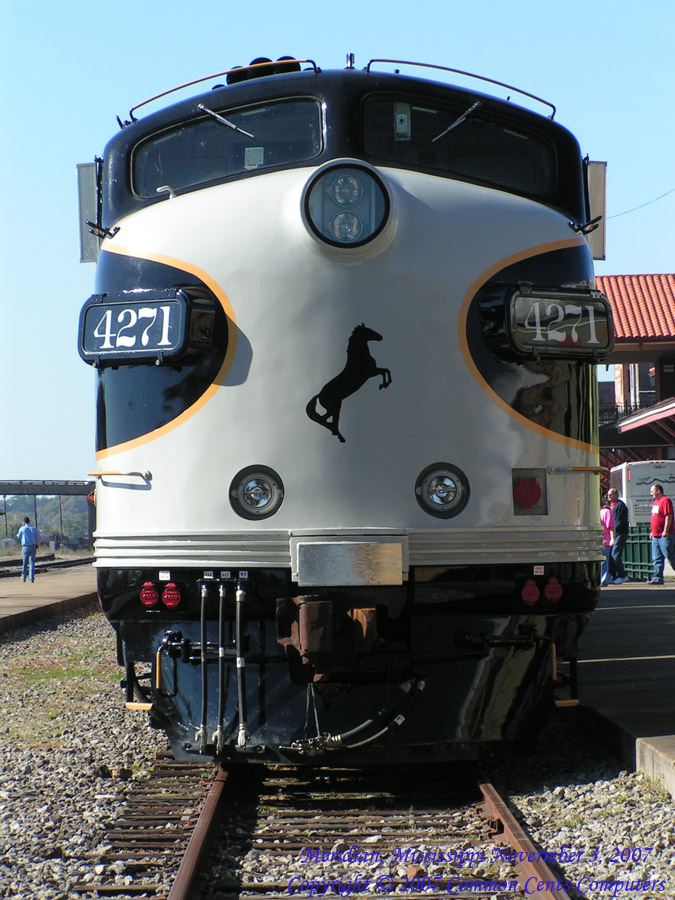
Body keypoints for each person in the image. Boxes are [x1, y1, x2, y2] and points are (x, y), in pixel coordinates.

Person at [648, 483, 675, 585]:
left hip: (665, 535)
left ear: (658, 491)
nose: (651, 494)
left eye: (652, 491)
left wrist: (666, 530)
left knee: (669, 554)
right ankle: (657, 577)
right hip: (655, 535)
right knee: (656, 557)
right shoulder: (656, 502)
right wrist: (652, 531)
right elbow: (655, 517)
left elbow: (668, 515)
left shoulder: (665, 500)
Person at [607, 487, 630, 584]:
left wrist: (613, 530)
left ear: (616, 495)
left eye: (611, 494)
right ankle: (613, 575)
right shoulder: (610, 506)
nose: (609, 496)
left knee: (615, 554)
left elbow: (619, 522)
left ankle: (623, 575)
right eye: (608, 495)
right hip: (613, 534)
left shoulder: (620, 506)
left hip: (620, 533)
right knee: (610, 555)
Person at [17, 516, 40, 583]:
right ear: (29, 521)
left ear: (24, 522)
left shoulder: (22, 529)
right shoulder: (34, 529)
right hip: (33, 546)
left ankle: (23, 577)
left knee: (25, 563)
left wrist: (22, 526)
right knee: (32, 563)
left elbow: (19, 536)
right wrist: (37, 546)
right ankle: (31, 578)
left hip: (25, 547)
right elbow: (38, 539)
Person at [600, 499, 615, 587]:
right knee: (604, 561)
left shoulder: (605, 512)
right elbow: (611, 527)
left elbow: (611, 527)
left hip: (603, 540)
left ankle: (604, 580)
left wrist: (612, 539)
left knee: (603, 562)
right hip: (603, 540)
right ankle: (603, 579)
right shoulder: (607, 512)